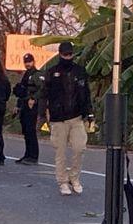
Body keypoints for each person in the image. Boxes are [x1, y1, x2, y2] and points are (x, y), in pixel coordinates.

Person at [36, 40, 94, 195]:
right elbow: (43, 95)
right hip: (58, 118)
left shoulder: (79, 71)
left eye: (70, 54)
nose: (68, 57)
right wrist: (42, 115)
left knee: (79, 148)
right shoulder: (52, 72)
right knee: (60, 152)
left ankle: (74, 177)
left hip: (76, 117)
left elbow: (86, 93)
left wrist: (90, 113)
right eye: (65, 54)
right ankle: (62, 181)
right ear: (60, 54)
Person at [12, 52, 43, 165]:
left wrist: (33, 99)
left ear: (33, 61)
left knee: (31, 131)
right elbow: (22, 91)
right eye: (26, 62)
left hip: (32, 106)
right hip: (24, 105)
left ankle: (33, 156)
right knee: (26, 131)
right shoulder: (26, 74)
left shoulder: (37, 75)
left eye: (29, 61)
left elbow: (42, 89)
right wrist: (17, 105)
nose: (27, 64)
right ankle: (27, 155)